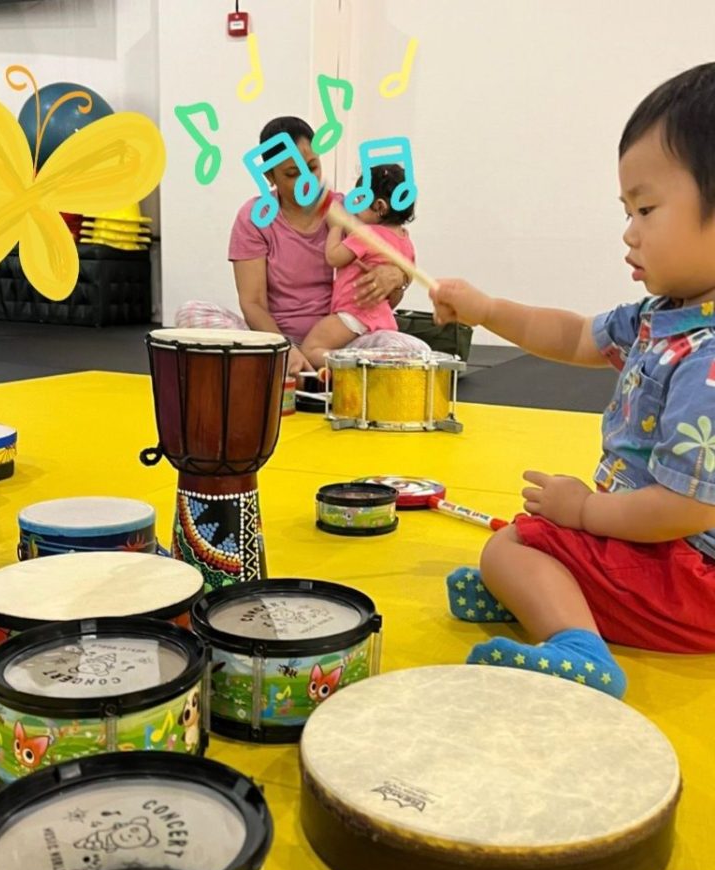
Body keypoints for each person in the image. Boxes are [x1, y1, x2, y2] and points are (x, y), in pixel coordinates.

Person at [431, 62, 715, 701]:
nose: (629, 230)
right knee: (526, 541)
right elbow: (572, 335)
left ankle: (579, 645)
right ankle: (556, 588)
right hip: (662, 551)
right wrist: (486, 309)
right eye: (627, 210)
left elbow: (690, 508)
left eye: (646, 208)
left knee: (511, 545)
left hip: (692, 576)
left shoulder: (708, 356)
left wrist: (586, 510)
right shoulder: (661, 318)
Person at [176, 116, 414, 376]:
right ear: (270, 175)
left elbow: (393, 263)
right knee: (190, 314)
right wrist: (285, 348)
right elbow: (253, 303)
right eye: (292, 174)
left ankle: (314, 373)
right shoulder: (254, 218)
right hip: (273, 343)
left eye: (312, 167)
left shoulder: (350, 210)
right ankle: (318, 373)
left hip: (338, 343)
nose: (307, 181)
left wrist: (399, 276)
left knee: (408, 348)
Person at [300, 165, 416, 369]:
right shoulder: (405, 240)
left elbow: (334, 257)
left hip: (353, 315)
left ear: (380, 207)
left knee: (310, 349)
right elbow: (409, 274)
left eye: (360, 199)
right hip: (383, 318)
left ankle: (352, 368)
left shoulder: (368, 234)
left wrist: (336, 225)